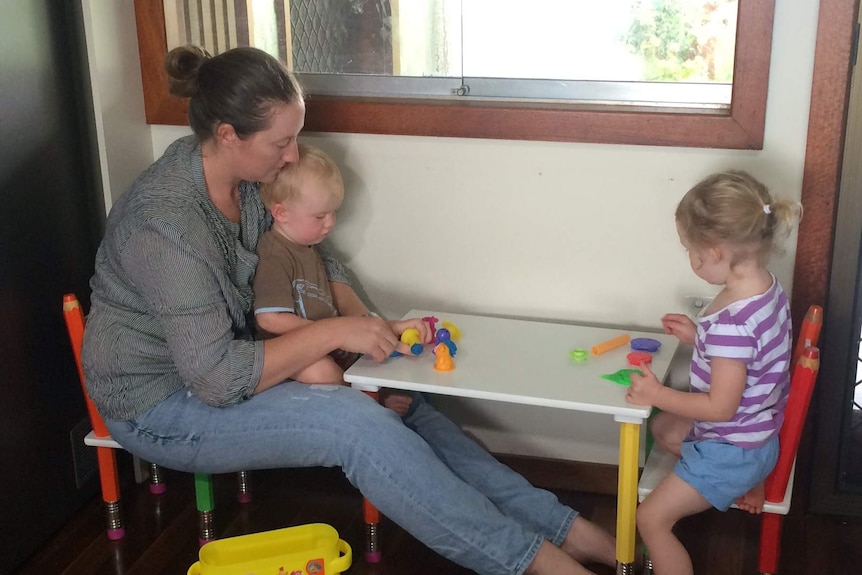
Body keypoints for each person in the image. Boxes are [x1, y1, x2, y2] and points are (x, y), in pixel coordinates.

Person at [81, 45, 616, 575]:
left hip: (240, 359)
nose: (292, 155)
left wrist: (371, 330)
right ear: (227, 135)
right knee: (358, 426)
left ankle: (566, 528)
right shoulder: (165, 228)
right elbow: (216, 379)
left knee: (403, 402)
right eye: (281, 142)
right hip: (162, 404)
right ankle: (537, 563)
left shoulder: (246, 180)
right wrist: (338, 331)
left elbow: (312, 257)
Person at [625, 170, 802, 575]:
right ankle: (740, 481)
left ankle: (734, 481)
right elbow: (751, 357)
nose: (691, 260)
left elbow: (719, 408)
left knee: (650, 520)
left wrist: (656, 395)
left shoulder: (730, 323)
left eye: (691, 250)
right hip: (759, 436)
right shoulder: (766, 289)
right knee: (665, 431)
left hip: (734, 448)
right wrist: (698, 338)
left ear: (714, 252)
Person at [253, 143, 411, 415]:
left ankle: (374, 396)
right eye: (320, 216)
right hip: (291, 355)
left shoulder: (308, 248)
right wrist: (333, 334)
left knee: (370, 356)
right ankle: (370, 406)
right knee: (323, 371)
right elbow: (269, 319)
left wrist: (388, 328)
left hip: (326, 344)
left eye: (333, 212)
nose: (331, 223)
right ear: (281, 213)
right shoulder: (274, 253)